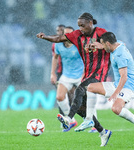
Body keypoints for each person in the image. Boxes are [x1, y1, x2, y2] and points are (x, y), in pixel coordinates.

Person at [37, 12, 112, 147]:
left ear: (90, 23)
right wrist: (45, 37)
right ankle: (103, 132)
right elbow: (59, 38)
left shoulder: (101, 32)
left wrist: (100, 46)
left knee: (79, 90)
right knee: (80, 108)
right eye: (79, 26)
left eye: (83, 25)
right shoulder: (77, 35)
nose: (81, 28)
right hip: (88, 74)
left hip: (100, 72)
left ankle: (69, 119)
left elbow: (112, 45)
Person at [75, 32, 134, 141]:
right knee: (91, 87)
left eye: (103, 44)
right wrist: (95, 45)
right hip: (117, 84)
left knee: (116, 109)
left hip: (128, 87)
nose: (102, 46)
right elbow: (118, 44)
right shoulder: (118, 44)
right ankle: (89, 119)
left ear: (108, 43)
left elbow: (124, 77)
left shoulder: (120, 55)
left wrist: (115, 94)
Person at [51, 26, 84, 132]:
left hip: (80, 75)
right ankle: (72, 121)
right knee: (59, 97)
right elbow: (55, 57)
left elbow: (87, 58)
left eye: (71, 34)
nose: (68, 36)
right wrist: (52, 73)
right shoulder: (58, 45)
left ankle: (93, 123)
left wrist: (85, 74)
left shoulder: (79, 44)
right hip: (67, 75)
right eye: (66, 34)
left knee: (86, 99)